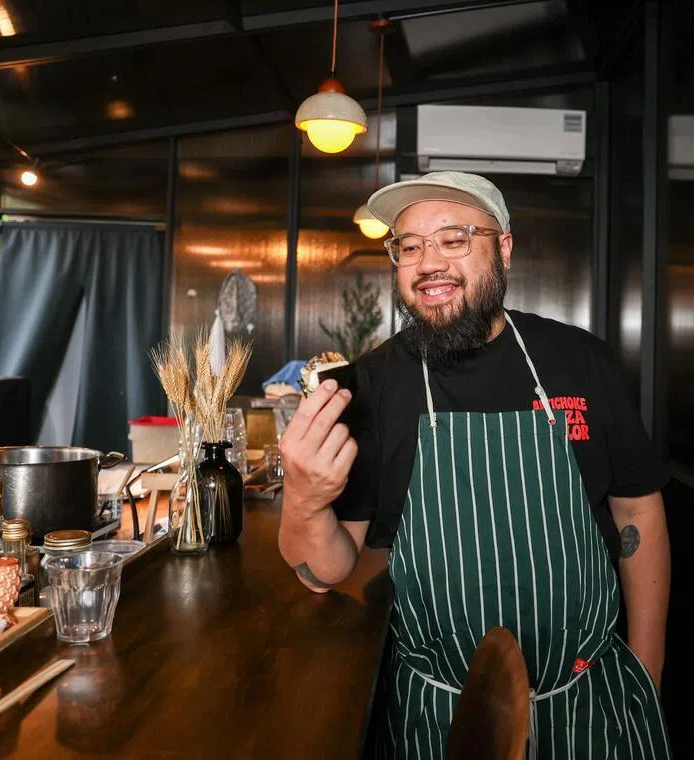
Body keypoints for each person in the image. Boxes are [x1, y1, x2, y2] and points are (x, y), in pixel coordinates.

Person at [278, 171, 671, 758]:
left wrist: (644, 677)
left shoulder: (579, 360)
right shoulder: (376, 382)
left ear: (503, 247)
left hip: (589, 705)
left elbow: (639, 510)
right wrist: (306, 499)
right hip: (437, 719)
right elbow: (324, 571)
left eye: (454, 239)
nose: (428, 261)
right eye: (408, 246)